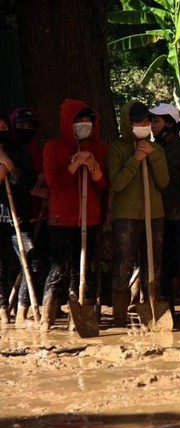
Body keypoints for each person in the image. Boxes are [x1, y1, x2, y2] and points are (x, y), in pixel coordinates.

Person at [40, 99, 108, 331]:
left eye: (87, 121)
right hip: (62, 219)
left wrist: (95, 171)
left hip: (90, 219)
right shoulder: (53, 148)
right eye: (78, 121)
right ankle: (46, 318)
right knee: (59, 269)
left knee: (84, 270)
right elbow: (54, 185)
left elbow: (103, 187)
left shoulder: (100, 148)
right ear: (68, 123)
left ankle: (78, 320)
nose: (83, 125)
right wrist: (73, 166)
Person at [107, 101, 169, 327]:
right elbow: (117, 184)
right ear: (128, 123)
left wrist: (152, 156)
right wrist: (135, 160)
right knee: (123, 265)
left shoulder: (158, 150)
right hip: (127, 216)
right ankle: (119, 317)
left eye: (146, 122)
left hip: (154, 215)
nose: (143, 126)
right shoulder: (117, 149)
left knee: (153, 266)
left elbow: (164, 182)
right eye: (138, 123)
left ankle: (150, 310)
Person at [150, 102, 180, 317]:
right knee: (164, 262)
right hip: (159, 214)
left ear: (170, 123)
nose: (152, 126)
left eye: (156, 121)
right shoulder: (152, 148)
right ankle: (166, 307)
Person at [0, 111, 38, 327]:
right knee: (1, 267)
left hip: (18, 218)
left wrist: (9, 164)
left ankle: (24, 307)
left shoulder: (18, 151)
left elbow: (29, 183)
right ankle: (3, 310)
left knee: (31, 261)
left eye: (4, 129)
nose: (1, 133)